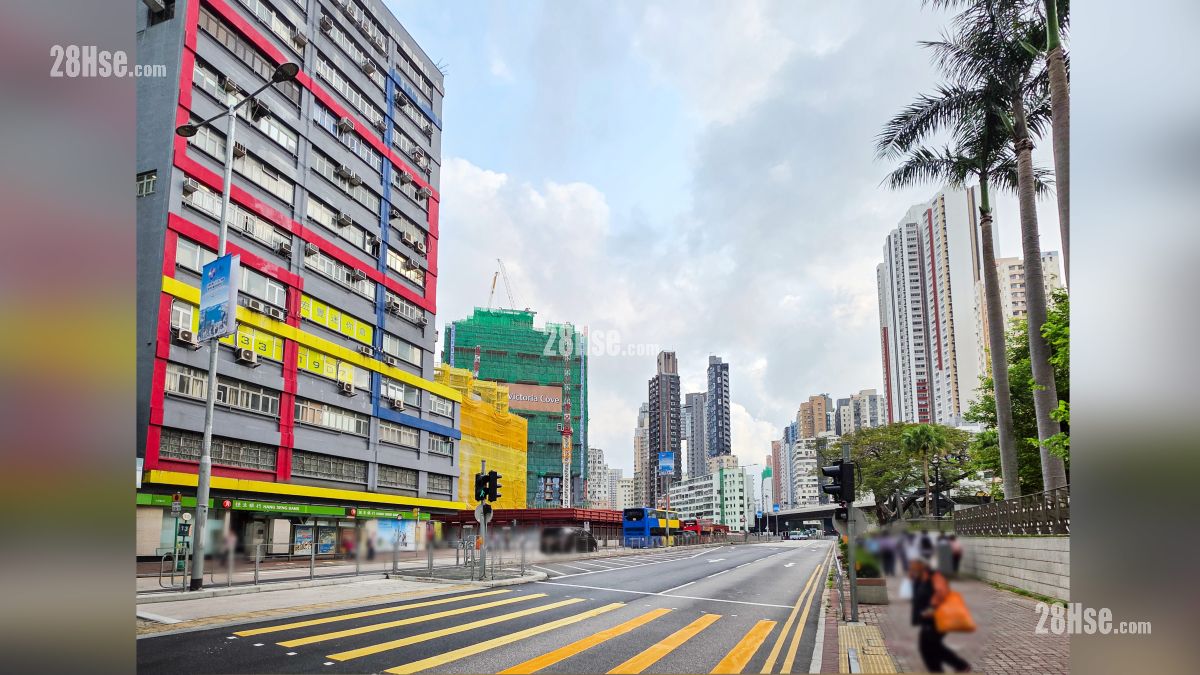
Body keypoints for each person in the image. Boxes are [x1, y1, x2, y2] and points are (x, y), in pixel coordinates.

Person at [910, 559, 970, 672]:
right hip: (927, 620)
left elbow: (942, 592)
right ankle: (958, 665)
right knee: (930, 648)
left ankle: (959, 665)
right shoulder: (920, 578)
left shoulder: (935, 577)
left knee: (929, 648)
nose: (912, 568)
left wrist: (932, 608)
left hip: (937, 618)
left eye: (914, 566)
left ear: (922, 566)